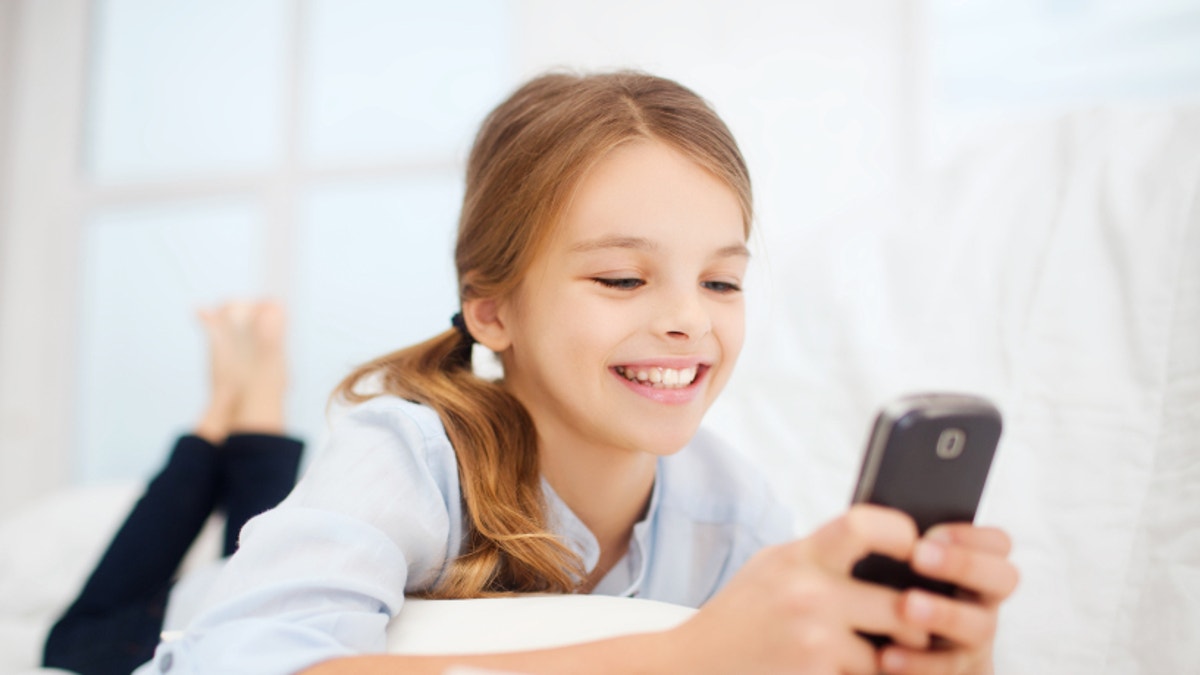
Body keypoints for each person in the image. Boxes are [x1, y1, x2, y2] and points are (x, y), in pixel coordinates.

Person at [139, 71, 1019, 675]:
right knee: (107, 611)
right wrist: (689, 652)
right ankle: (239, 404)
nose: (688, 317)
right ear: (493, 309)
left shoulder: (731, 509)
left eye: (722, 280)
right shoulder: (405, 453)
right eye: (622, 278)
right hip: (143, 632)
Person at [44, 301, 303, 675]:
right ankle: (244, 388)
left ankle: (226, 396)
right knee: (253, 545)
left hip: (87, 647)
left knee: (177, 507)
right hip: (160, 643)